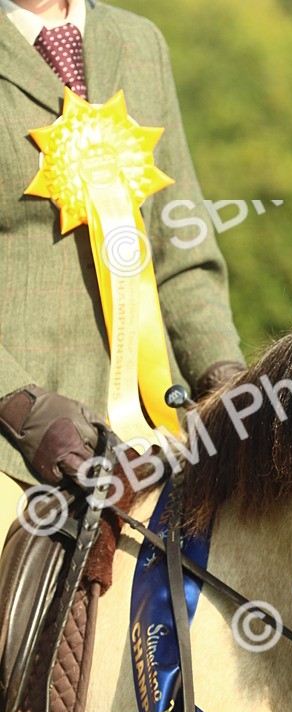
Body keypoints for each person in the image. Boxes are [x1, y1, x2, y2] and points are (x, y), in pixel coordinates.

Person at [0, 0, 245, 523]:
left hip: (157, 427)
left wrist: (227, 385)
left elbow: (180, 249)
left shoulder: (142, 43)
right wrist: (18, 405)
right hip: (12, 443)